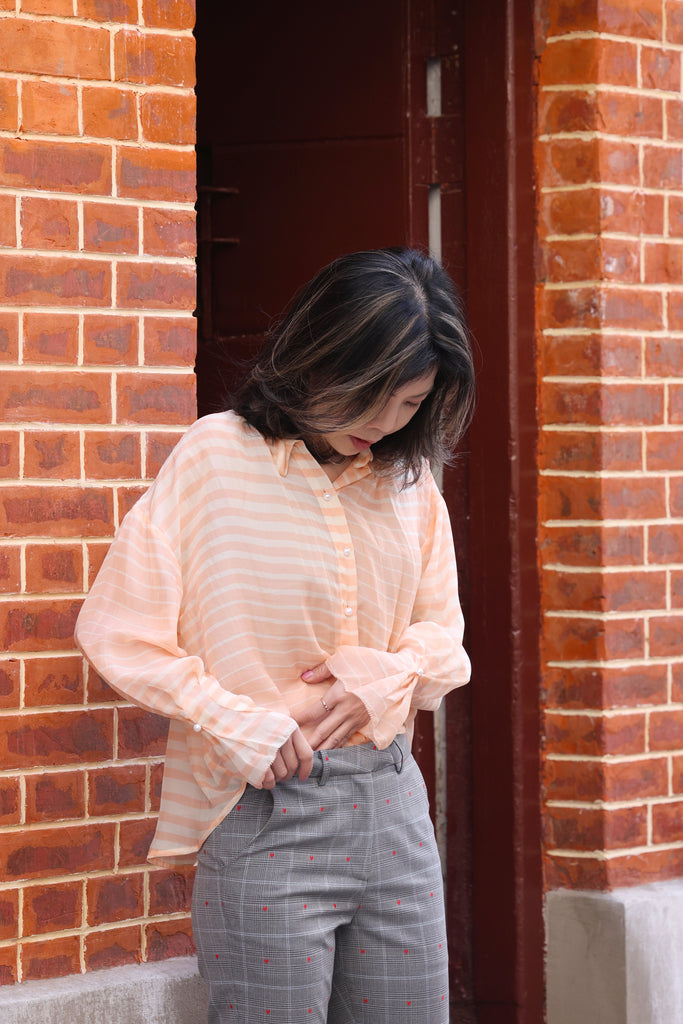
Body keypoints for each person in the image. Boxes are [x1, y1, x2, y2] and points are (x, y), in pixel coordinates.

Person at [75, 247, 475, 1024]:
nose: (383, 424)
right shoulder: (214, 459)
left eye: (408, 405)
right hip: (267, 814)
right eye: (369, 397)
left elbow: (444, 639)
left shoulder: (408, 481)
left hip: (393, 807)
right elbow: (118, 630)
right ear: (315, 355)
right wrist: (238, 721)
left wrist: (383, 678)